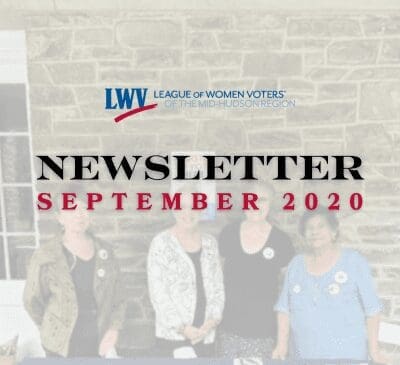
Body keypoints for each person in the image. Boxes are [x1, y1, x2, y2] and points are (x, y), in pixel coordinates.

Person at [273, 207, 387, 363]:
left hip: (347, 356)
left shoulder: (353, 261)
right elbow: (284, 309)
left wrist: (374, 350)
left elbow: (372, 310)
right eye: (309, 228)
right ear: (304, 235)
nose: (315, 232)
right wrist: (281, 345)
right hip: (302, 355)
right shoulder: (296, 264)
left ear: (334, 232)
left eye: (321, 226)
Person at [23, 191, 127, 358]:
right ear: (59, 217)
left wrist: (114, 329)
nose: (79, 215)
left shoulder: (105, 252)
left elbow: (118, 298)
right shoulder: (45, 255)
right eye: (71, 209)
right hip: (60, 347)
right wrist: (52, 327)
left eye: (84, 208)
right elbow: (32, 301)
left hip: (98, 343)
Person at [217, 182, 294, 358]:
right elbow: (216, 279)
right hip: (228, 329)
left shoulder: (281, 241)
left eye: (263, 200)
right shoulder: (228, 234)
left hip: (263, 332)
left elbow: (287, 293)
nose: (256, 204)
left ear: (271, 203)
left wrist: (282, 340)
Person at [147, 188, 224, 357]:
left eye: (194, 206)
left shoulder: (210, 243)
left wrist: (211, 322)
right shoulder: (161, 243)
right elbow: (158, 293)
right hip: (173, 338)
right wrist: (183, 328)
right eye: (181, 206)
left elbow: (218, 287)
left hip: (205, 336)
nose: (188, 212)